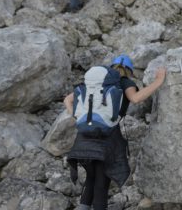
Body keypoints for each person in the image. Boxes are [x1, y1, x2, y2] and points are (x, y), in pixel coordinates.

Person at [64, 54, 167, 210]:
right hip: (106, 139)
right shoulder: (125, 82)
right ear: (130, 71)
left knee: (91, 177)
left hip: (82, 138)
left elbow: (68, 100)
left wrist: (79, 117)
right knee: (102, 181)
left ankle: (83, 207)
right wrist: (158, 81)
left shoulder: (94, 84)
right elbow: (136, 99)